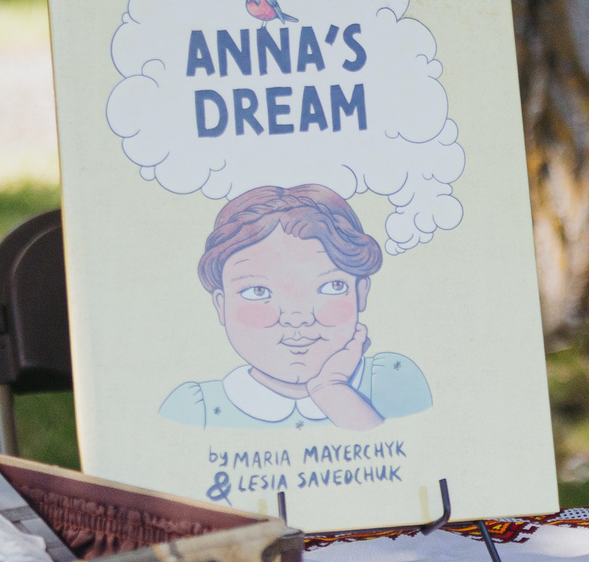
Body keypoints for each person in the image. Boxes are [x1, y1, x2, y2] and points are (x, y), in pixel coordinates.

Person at [157, 184, 431, 430]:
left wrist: (331, 390)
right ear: (221, 305)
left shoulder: (392, 379)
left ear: (361, 293)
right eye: (258, 291)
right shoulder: (196, 409)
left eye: (330, 287)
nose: (297, 318)